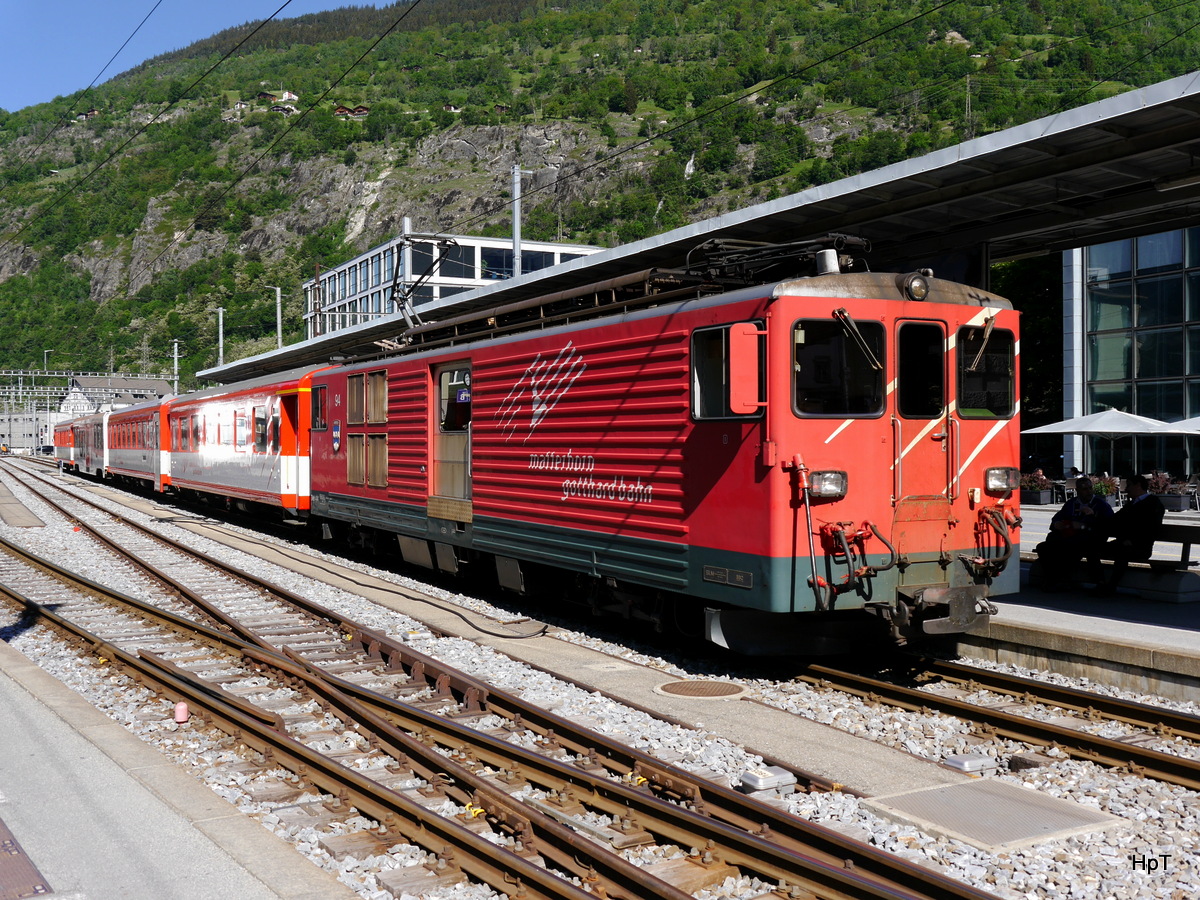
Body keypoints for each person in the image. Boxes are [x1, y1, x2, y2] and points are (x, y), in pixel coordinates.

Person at [1035, 476, 1113, 590]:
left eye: (1090, 488)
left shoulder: (1101, 505)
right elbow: (1057, 518)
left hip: (1091, 539)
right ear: (1078, 490)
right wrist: (1057, 524)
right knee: (1043, 547)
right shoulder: (1071, 503)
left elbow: (1108, 525)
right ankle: (1054, 578)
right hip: (1070, 537)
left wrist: (1088, 521)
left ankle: (1056, 579)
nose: (1089, 491)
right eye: (1084, 489)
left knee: (1074, 549)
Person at [1094, 473, 1165, 595]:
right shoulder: (1132, 504)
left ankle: (1111, 586)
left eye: (1129, 485)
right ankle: (1100, 582)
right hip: (1123, 543)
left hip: (1140, 547)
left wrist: (1131, 540)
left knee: (1122, 553)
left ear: (1138, 485)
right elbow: (1114, 521)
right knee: (1092, 548)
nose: (1126, 489)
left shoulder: (1153, 504)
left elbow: (1151, 528)